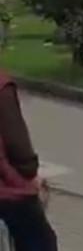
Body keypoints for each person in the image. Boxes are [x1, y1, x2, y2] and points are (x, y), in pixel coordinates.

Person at [0, 67, 57, 250]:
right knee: (42, 241)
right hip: (9, 192)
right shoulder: (2, 88)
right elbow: (17, 145)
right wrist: (31, 174)